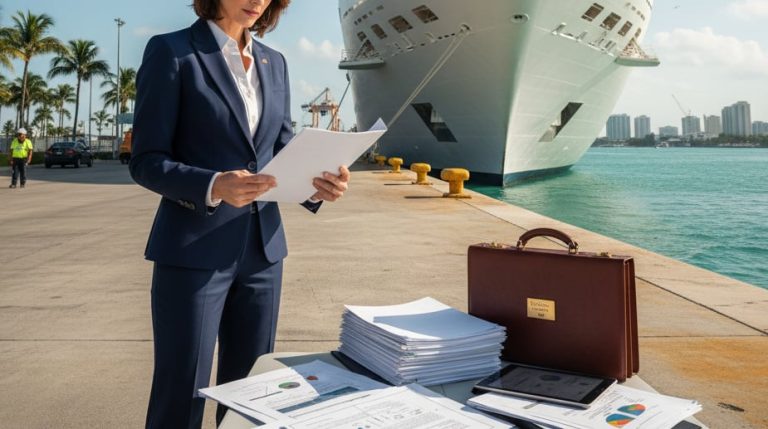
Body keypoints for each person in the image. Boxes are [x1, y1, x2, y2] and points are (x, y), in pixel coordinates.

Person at [128, 1, 350, 427]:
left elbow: (280, 149)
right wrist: (214, 185)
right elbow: (147, 160)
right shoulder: (172, 52)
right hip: (192, 252)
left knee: (251, 396)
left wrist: (319, 186)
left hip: (263, 254)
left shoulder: (274, 62)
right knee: (182, 391)